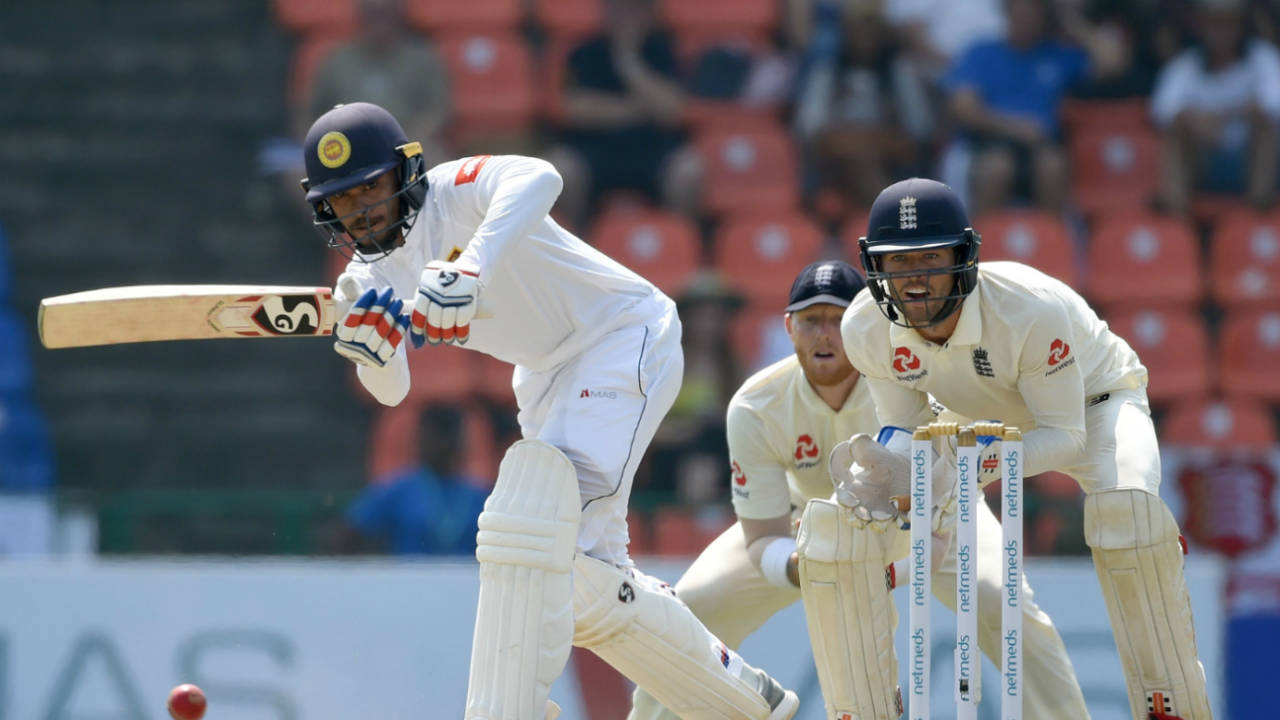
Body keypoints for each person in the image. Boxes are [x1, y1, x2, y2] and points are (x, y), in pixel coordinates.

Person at [298, 101, 798, 720]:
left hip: (620, 336)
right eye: (343, 201)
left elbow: (541, 176)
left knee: (537, 537)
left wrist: (471, 266)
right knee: (589, 571)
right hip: (544, 376)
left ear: (406, 172)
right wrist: (372, 355)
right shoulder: (362, 280)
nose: (361, 210)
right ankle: (747, 701)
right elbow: (392, 392)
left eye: (370, 187)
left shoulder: (454, 191)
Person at [629, 260, 1089, 719]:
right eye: (811, 321)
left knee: (1001, 600)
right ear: (789, 327)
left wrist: (880, 572)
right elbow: (762, 536)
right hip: (804, 523)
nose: (824, 334)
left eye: (837, 320)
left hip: (930, 511)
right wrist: (803, 564)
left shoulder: (912, 381)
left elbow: (940, 534)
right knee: (686, 613)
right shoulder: (757, 403)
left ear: (864, 325)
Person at [841, 176, 1214, 720]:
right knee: (850, 525)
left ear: (963, 257)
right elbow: (905, 425)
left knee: (1127, 518)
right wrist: (889, 472)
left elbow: (1064, 437)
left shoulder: (1027, 309)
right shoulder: (865, 327)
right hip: (974, 420)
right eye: (898, 263)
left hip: (1094, 403)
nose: (913, 280)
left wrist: (973, 469)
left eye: (930, 259)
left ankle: (1172, 702)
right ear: (876, 267)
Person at [942, 0, 1125, 216]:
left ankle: (1052, 245)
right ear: (1007, 10)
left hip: (1043, 147)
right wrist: (1016, 128)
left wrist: (1070, 20)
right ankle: (980, 244)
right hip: (989, 144)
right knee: (997, 168)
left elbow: (1113, 62)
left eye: (1034, 7)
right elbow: (964, 109)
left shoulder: (1057, 55)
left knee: (1053, 167)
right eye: (1020, 6)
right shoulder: (980, 51)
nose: (1026, 13)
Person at [544, 0, 702, 230]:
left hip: (653, 150)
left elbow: (671, 110)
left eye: (635, 8)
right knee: (559, 169)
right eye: (619, 7)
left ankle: (680, 250)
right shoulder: (583, 51)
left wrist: (629, 62)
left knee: (689, 170)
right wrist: (641, 109)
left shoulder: (664, 50)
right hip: (593, 149)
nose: (627, 16)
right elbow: (577, 110)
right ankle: (574, 251)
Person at [1151, 0, 1280, 216]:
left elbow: (1272, 107)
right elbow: (1162, 113)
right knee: (1177, 131)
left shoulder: (1264, 59)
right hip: (1205, 163)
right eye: (1213, 22)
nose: (1220, 30)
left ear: (1241, 23)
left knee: (1267, 127)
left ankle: (1256, 224)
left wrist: (1224, 116)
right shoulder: (1183, 67)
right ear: (1200, 24)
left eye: (1227, 21)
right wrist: (1193, 120)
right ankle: (1177, 230)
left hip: (1250, 159)